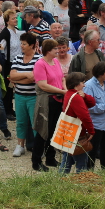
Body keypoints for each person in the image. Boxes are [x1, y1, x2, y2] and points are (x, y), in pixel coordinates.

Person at [32, 39, 67, 171]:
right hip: (46, 101)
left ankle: (50, 158)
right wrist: (62, 91)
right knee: (42, 131)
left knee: (53, 130)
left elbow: (62, 77)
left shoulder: (56, 61)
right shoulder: (40, 64)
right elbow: (42, 84)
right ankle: (36, 161)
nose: (57, 51)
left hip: (57, 99)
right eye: (55, 49)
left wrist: (63, 89)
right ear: (48, 51)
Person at [8, 32, 41, 158]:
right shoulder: (17, 58)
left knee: (35, 123)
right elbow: (12, 76)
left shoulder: (38, 59)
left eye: (24, 44)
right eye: (21, 43)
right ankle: (20, 145)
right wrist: (26, 75)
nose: (21, 46)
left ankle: (38, 147)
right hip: (20, 95)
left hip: (33, 96)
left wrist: (19, 78)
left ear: (32, 45)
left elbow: (34, 78)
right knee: (20, 122)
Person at [58, 72, 95, 173]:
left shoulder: (69, 94)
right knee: (81, 166)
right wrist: (91, 131)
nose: (84, 85)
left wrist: (85, 96)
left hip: (68, 133)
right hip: (77, 135)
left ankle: (59, 183)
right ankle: (80, 186)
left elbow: (92, 102)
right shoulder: (76, 98)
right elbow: (85, 116)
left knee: (66, 162)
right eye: (83, 82)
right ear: (76, 84)